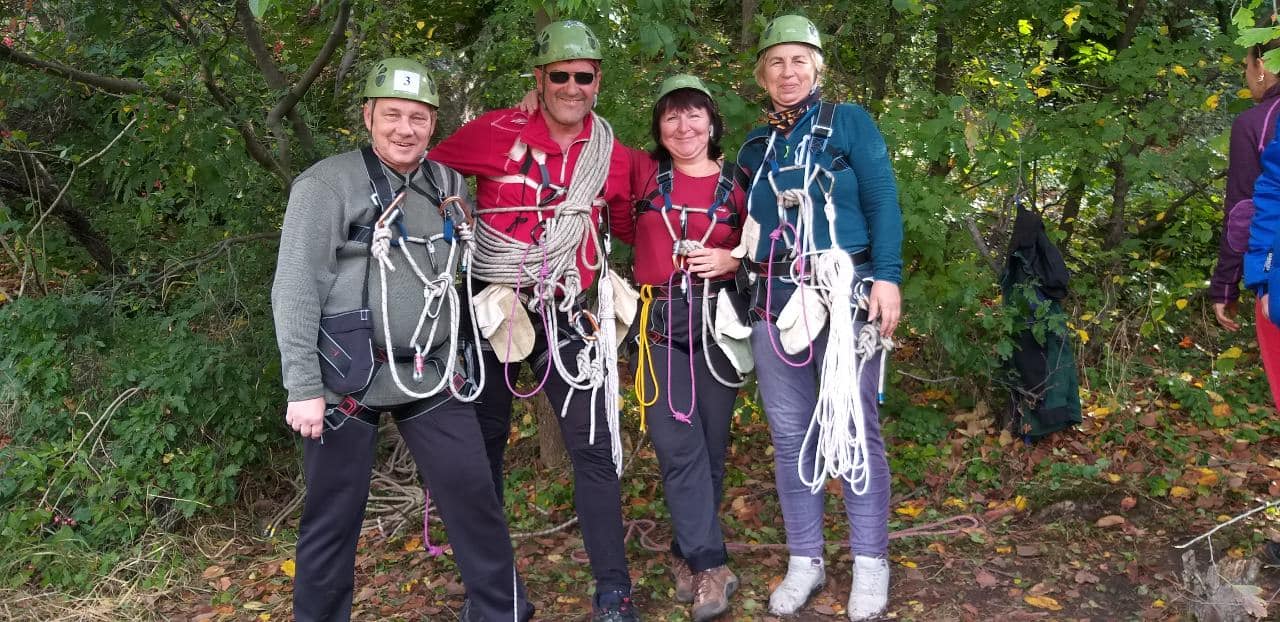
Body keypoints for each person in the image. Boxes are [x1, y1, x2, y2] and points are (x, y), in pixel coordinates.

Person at [271, 57, 530, 622]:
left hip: (430, 372)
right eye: (392, 114)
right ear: (368, 116)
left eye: (417, 117)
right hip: (347, 378)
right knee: (331, 520)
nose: (404, 129)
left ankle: (502, 611)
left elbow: (462, 273)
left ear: (433, 123)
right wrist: (302, 387)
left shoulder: (447, 185)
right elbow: (294, 288)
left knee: (474, 496)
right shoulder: (326, 184)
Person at [428, 20, 640, 622]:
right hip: (495, 304)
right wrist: (456, 222)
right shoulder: (495, 131)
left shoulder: (613, 155)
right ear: (539, 80)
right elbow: (428, 172)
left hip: (573, 311)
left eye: (583, 76)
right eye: (559, 76)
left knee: (594, 450)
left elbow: (633, 222)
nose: (572, 87)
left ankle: (612, 591)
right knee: (485, 446)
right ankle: (496, 596)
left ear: (598, 82)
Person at [735, 15, 903, 621]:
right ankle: (805, 559)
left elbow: (883, 199)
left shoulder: (849, 123)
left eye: (798, 61)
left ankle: (870, 563)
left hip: (846, 290)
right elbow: (741, 224)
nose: (788, 72)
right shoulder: (756, 145)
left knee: (855, 424)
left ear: (817, 67)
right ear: (762, 73)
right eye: (776, 62)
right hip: (777, 298)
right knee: (788, 433)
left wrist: (887, 277)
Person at [621, 74, 749, 621]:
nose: (684, 125)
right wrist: (537, 107)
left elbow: (767, 244)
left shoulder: (740, 183)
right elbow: (583, 137)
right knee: (678, 449)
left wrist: (733, 260)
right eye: (671, 116)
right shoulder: (645, 177)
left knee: (710, 451)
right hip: (658, 324)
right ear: (658, 128)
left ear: (713, 121)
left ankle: (683, 552)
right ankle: (711, 567)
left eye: (694, 113)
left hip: (719, 321)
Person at [1219, 38, 1280, 411]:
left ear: (1262, 65)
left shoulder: (1257, 123)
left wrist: (1225, 284)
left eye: (1246, 67)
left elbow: (1243, 211)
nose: (1247, 78)